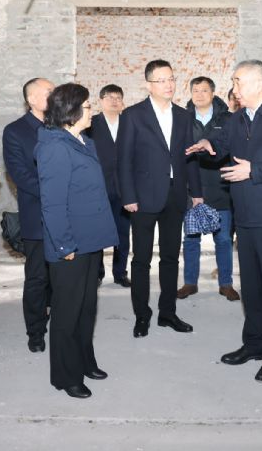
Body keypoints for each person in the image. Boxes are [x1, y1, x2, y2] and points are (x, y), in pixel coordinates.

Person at [186, 60, 262, 383]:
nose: (234, 89)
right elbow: (223, 145)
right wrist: (209, 146)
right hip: (246, 215)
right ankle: (254, 344)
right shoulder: (237, 118)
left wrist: (254, 170)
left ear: (257, 83)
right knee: (252, 287)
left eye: (238, 82)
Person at [35, 83, 119, 399]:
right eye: (87, 106)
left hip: (89, 240)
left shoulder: (83, 141)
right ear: (71, 111)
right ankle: (66, 375)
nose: (92, 111)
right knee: (67, 312)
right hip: (69, 244)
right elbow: (53, 203)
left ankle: (85, 361)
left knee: (86, 308)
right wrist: (64, 245)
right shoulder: (55, 147)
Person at [117, 59, 203, 338]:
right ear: (149, 85)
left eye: (171, 79)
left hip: (175, 195)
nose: (168, 85)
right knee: (141, 259)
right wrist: (128, 196)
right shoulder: (133, 115)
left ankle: (168, 312)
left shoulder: (183, 115)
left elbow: (190, 156)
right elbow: (123, 160)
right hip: (142, 198)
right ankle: (142, 315)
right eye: (161, 80)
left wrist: (197, 192)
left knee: (170, 258)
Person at [2, 78, 55, 353]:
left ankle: (61, 323)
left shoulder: (63, 125)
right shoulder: (15, 131)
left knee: (63, 276)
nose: (55, 96)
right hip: (37, 213)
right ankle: (36, 331)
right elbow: (20, 175)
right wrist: (56, 191)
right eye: (49, 92)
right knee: (37, 277)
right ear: (32, 99)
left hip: (67, 214)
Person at [177, 76, 239, 302]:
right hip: (192, 188)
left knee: (223, 240)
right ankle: (189, 283)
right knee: (190, 239)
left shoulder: (228, 119)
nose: (200, 94)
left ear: (213, 93)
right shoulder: (182, 119)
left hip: (220, 186)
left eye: (204, 90)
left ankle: (226, 284)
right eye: (195, 90)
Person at [85, 84, 131, 287]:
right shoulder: (90, 124)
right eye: (109, 97)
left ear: (122, 102)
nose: (114, 101)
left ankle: (120, 273)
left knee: (123, 233)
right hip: (98, 187)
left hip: (124, 188)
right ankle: (97, 273)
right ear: (101, 101)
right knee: (98, 232)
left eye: (118, 97)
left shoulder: (130, 123)